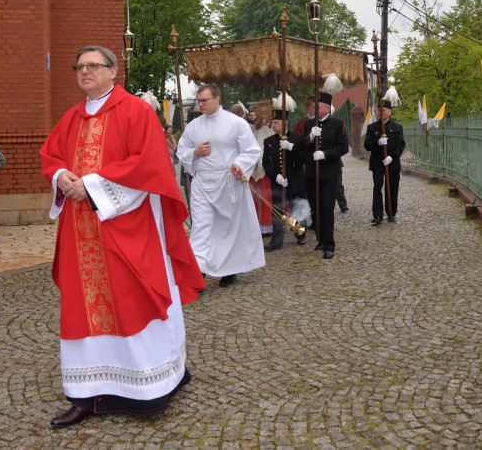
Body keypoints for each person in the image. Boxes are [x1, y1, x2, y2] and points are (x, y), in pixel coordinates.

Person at [40, 45, 204, 427]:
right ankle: (87, 394)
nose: (85, 72)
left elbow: (148, 164)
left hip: (126, 227)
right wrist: (60, 177)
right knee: (84, 306)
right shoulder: (71, 117)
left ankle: (151, 386)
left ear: (114, 72)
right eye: (79, 66)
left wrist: (93, 186)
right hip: (81, 233)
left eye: (93, 66)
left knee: (133, 299)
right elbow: (51, 155)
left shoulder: (136, 111)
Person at [176, 84, 264, 287]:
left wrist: (239, 164)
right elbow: (182, 151)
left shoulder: (236, 123)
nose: (200, 104)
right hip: (202, 184)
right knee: (201, 227)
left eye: (204, 100)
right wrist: (194, 153)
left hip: (228, 183)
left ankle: (230, 270)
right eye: (199, 101)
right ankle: (198, 273)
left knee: (227, 228)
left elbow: (251, 150)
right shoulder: (194, 126)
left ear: (217, 99)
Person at [301, 75, 349, 259]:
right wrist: (310, 138)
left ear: (327, 108)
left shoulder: (337, 124)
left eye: (319, 108)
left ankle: (329, 244)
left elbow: (343, 147)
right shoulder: (308, 124)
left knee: (327, 209)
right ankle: (320, 239)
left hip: (329, 174)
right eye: (315, 107)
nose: (316, 110)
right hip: (312, 174)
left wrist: (326, 154)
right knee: (315, 209)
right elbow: (302, 146)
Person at [261, 95, 308, 251]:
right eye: (272, 123)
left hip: (295, 181)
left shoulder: (297, 138)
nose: (273, 126)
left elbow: (303, 158)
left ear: (284, 122)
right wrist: (277, 176)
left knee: (296, 209)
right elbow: (266, 164)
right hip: (278, 183)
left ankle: (299, 234)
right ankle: (277, 241)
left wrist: (291, 147)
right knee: (278, 212)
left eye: (275, 123)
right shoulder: (269, 142)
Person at [364, 97, 406, 224]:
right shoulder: (372, 127)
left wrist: (392, 157)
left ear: (390, 112)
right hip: (377, 162)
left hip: (392, 162)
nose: (380, 112)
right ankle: (377, 215)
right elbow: (367, 145)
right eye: (379, 110)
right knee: (377, 186)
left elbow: (400, 145)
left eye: (384, 110)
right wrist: (377, 142)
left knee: (392, 187)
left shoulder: (397, 127)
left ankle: (391, 212)